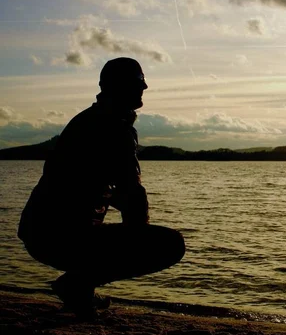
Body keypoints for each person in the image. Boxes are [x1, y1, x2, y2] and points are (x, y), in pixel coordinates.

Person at [18, 57, 185, 318]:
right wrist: (138, 239)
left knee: (107, 234)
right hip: (58, 237)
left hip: (38, 233)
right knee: (171, 245)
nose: (145, 88)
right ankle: (77, 285)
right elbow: (132, 194)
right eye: (138, 83)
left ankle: (80, 288)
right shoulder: (114, 128)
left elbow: (88, 186)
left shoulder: (88, 120)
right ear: (119, 87)